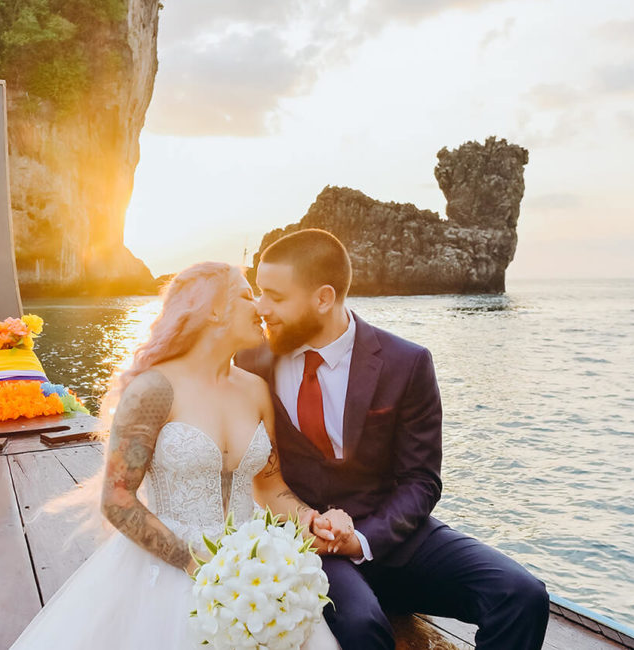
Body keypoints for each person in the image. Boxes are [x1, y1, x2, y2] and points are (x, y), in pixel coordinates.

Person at [235, 229, 551, 650]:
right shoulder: (251, 362)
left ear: (323, 298)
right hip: (307, 543)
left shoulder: (406, 362)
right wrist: (318, 529)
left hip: (398, 537)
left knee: (522, 595)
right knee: (363, 625)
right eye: (259, 292)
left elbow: (422, 480)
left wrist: (364, 541)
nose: (261, 308)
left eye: (274, 296)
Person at [10, 262, 345, 649]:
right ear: (214, 309)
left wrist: (309, 520)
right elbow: (117, 499)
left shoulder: (255, 389)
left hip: (257, 575)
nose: (260, 307)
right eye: (246, 294)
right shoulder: (153, 390)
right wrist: (202, 567)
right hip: (170, 573)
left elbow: (269, 487)